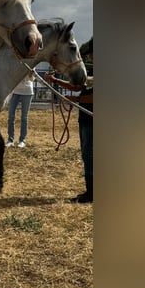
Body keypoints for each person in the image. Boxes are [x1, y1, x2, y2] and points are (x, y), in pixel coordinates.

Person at [45, 37, 93, 203]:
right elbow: (79, 87)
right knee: (87, 154)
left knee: (90, 155)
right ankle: (91, 190)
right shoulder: (92, 72)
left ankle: (92, 193)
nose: (89, 58)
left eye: (91, 54)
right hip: (86, 118)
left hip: (93, 120)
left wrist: (76, 101)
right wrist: (56, 81)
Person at [6, 74, 34, 148]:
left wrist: (30, 74)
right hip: (14, 91)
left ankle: (22, 140)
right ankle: (10, 140)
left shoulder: (30, 63)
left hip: (27, 91)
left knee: (24, 117)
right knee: (11, 116)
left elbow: (32, 79)